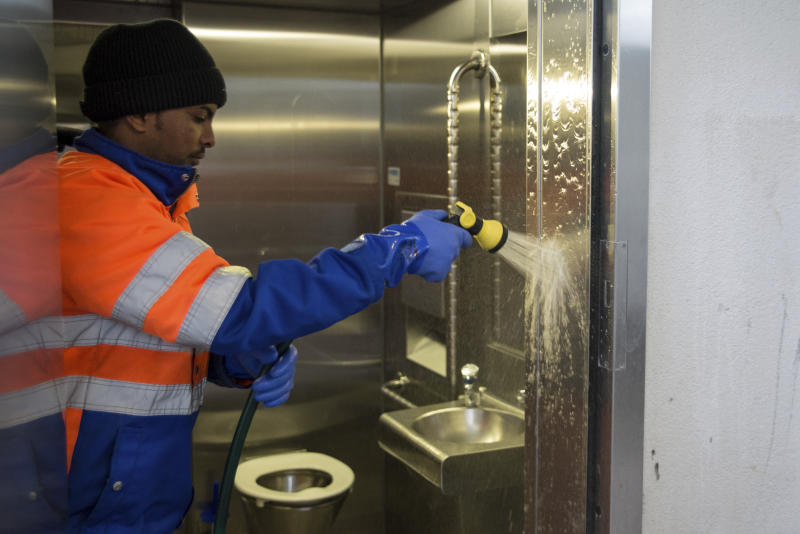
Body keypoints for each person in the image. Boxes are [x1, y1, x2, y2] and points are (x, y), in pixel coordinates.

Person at [58, 18, 471, 533]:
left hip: (116, 503)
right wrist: (393, 250)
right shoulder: (86, 201)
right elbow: (241, 311)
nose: (210, 137)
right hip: (78, 512)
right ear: (140, 113)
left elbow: (128, 338)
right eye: (199, 116)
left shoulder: (145, 203)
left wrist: (236, 360)